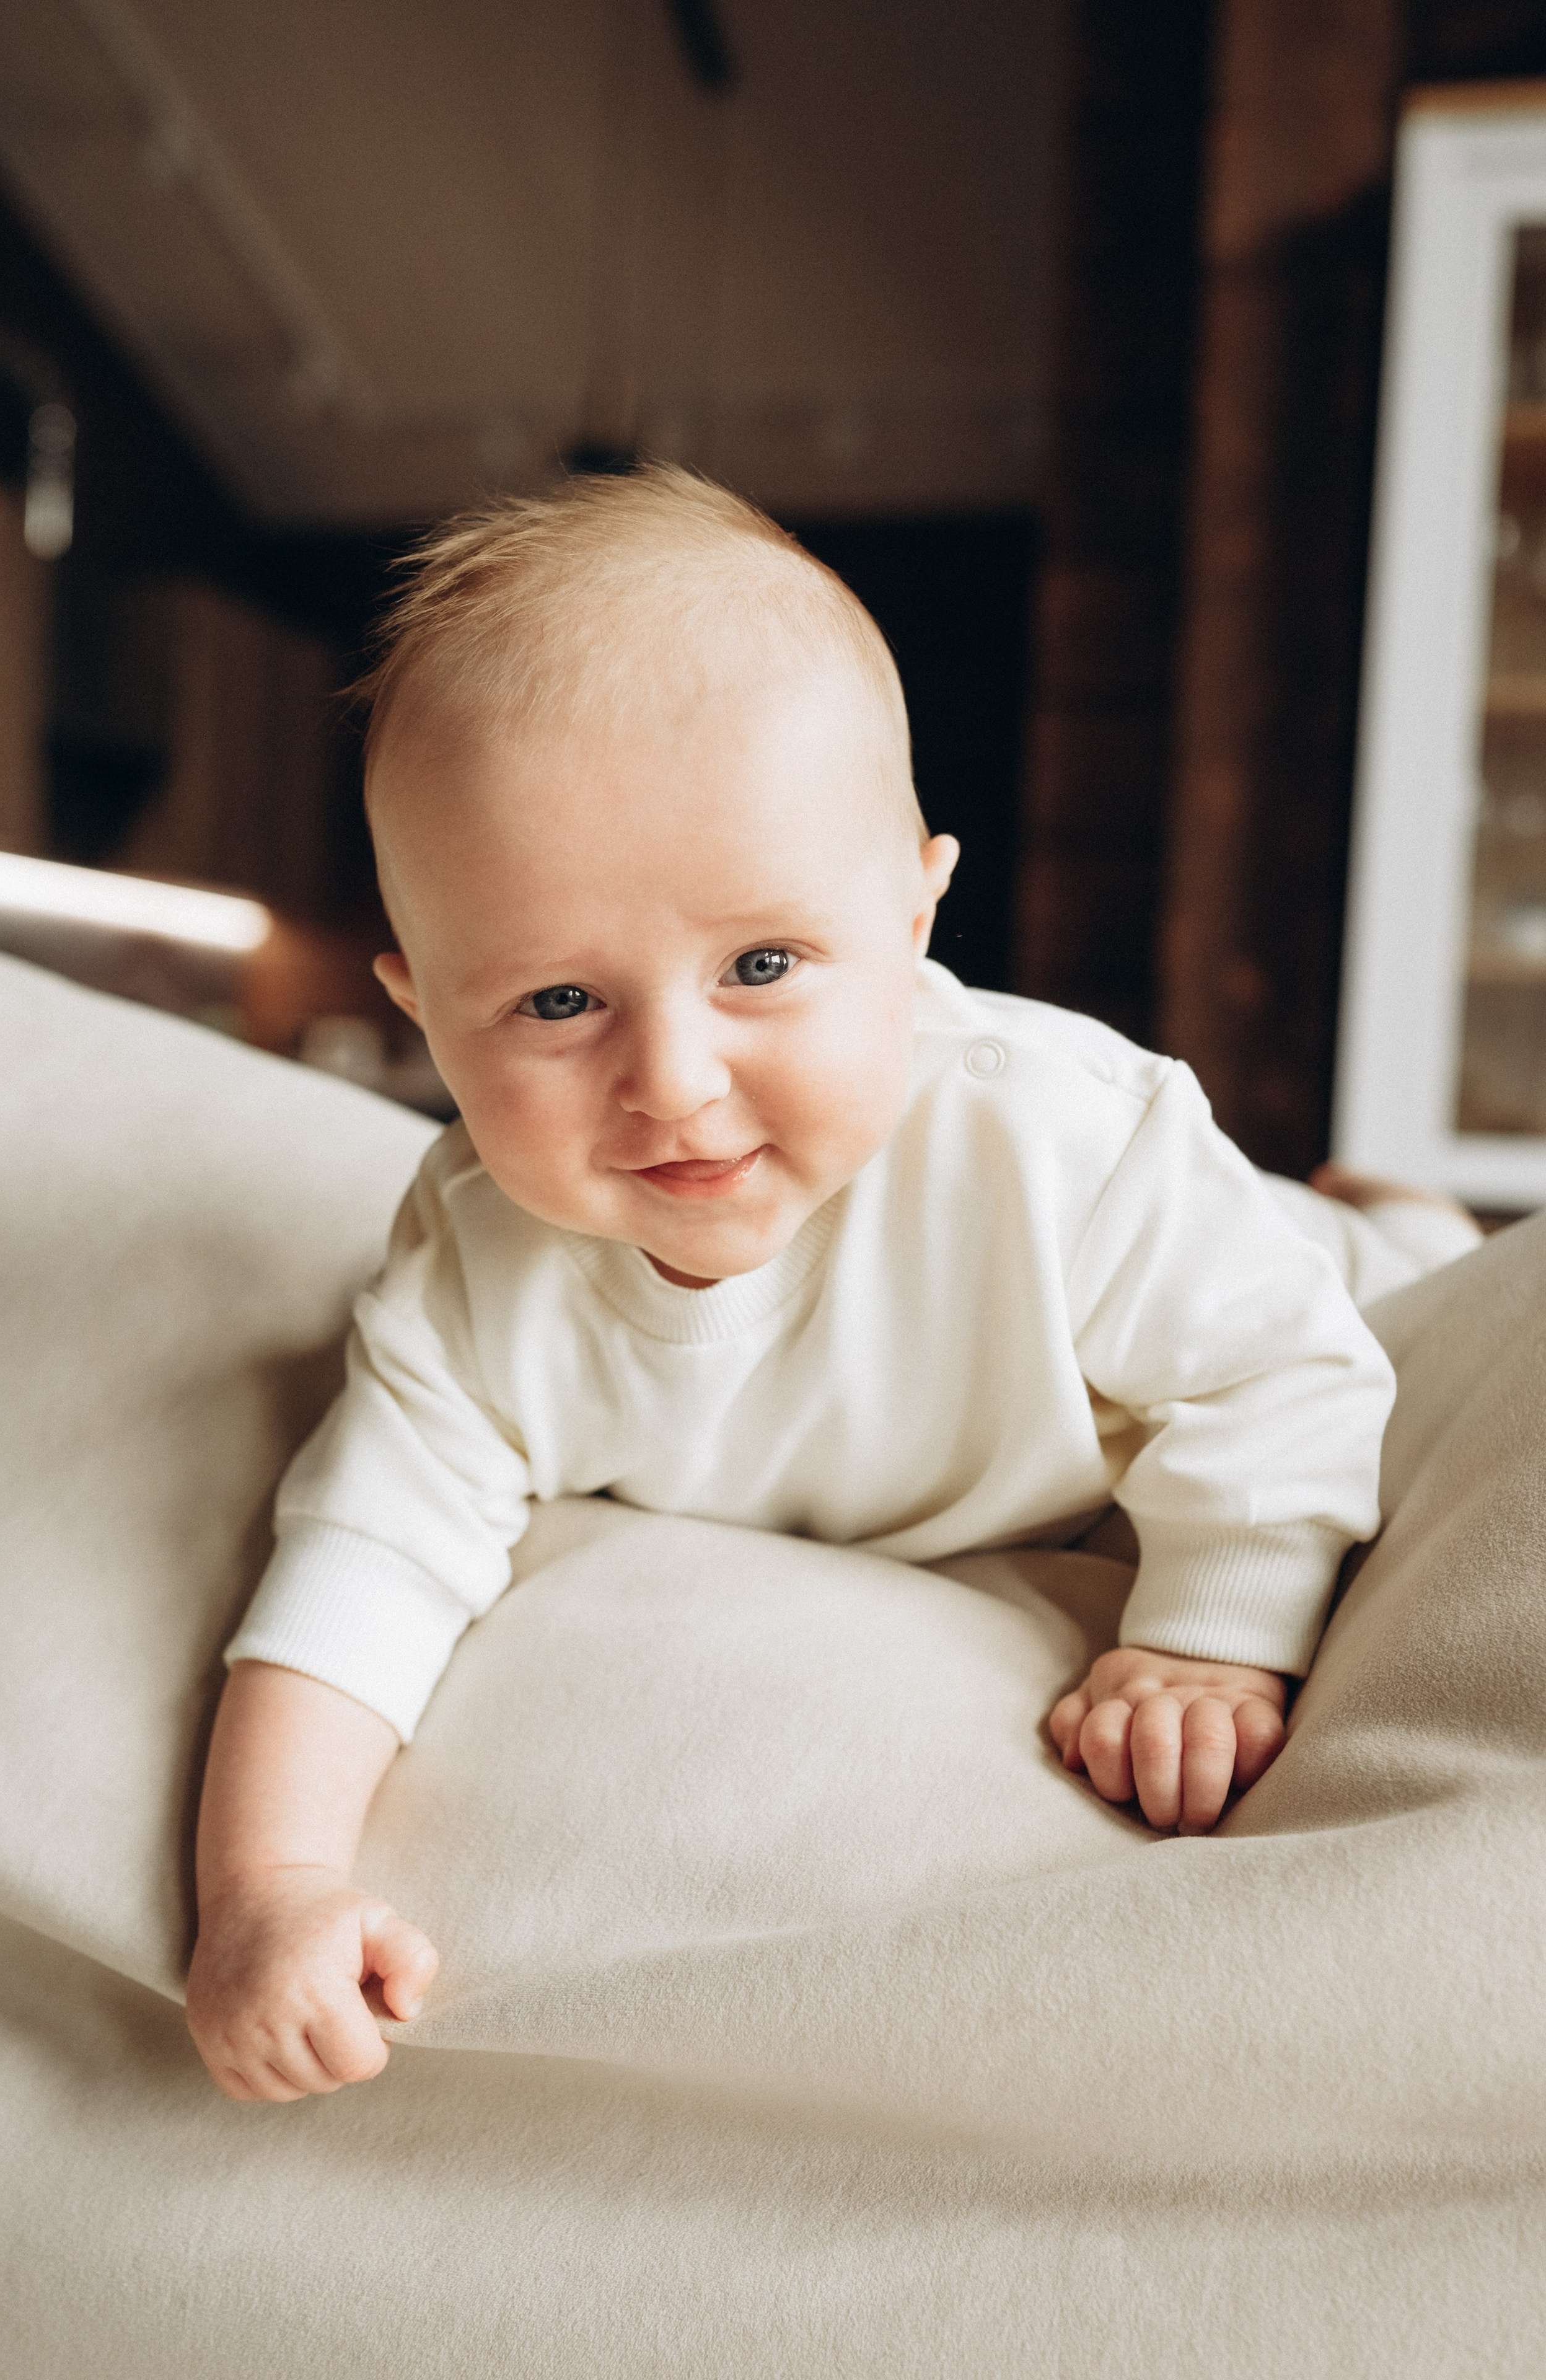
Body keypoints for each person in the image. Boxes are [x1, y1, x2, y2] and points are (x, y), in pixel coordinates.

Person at [185, 465, 1480, 2105]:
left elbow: (1275, 1374)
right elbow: (362, 1563)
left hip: (1258, 1274)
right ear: (425, 1013)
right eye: (561, 1002)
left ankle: (1403, 1211)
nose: (675, 1081)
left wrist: (1214, 1643)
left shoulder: (1062, 1141)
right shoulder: (473, 1271)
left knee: (1377, 1268)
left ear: (917, 911)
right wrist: (268, 1885)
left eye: (762, 966)